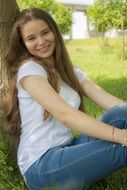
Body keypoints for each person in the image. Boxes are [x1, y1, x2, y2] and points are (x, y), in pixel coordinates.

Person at [4, 8, 127, 190]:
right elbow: (65, 115)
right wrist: (121, 136)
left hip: (68, 147)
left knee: (121, 113)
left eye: (45, 32)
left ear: (54, 31)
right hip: (41, 165)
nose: (41, 41)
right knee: (122, 149)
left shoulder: (70, 70)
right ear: (23, 44)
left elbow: (111, 102)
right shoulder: (30, 70)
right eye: (31, 38)